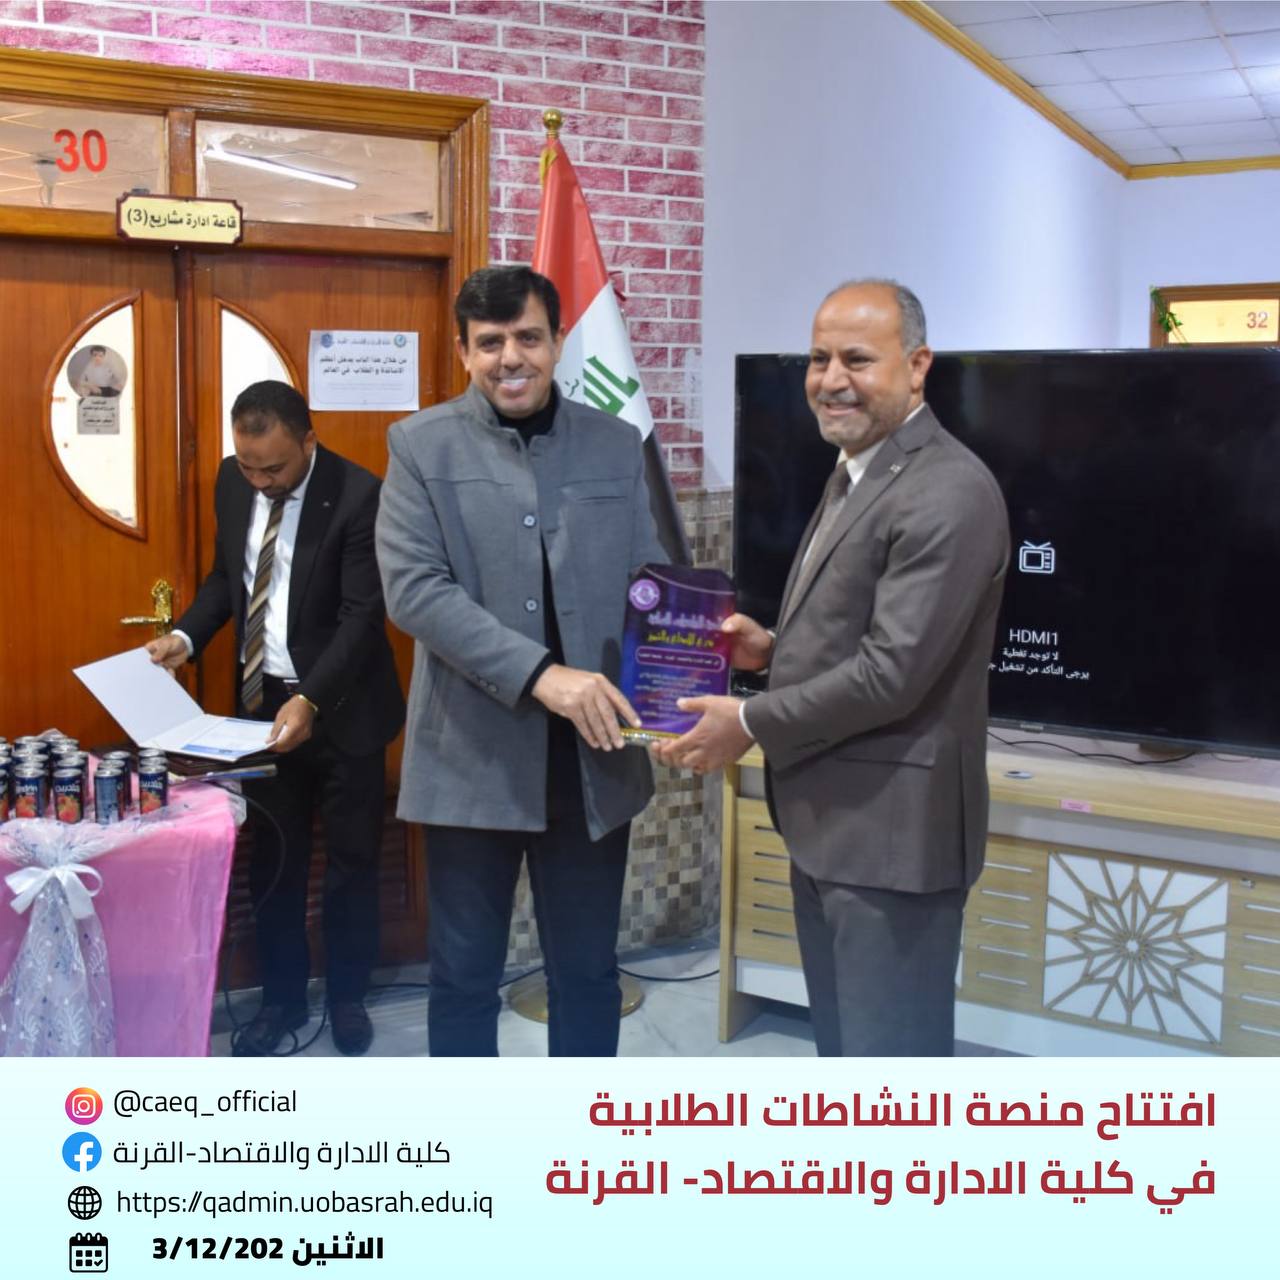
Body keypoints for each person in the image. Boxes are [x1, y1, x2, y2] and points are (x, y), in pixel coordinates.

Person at [655, 280, 1010, 1056]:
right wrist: (771, 651)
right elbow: (864, 633)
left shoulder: (948, 490)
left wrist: (749, 720)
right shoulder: (859, 469)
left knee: (889, 1071)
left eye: (857, 359)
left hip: (894, 841)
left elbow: (892, 674)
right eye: (819, 359)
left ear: (918, 366)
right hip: (835, 829)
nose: (831, 379)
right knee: (845, 1056)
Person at [375, 265, 667, 1056]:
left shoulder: (615, 443)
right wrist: (543, 676)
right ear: (464, 351)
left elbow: (648, 580)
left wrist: (689, 664)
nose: (511, 358)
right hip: (470, 761)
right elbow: (415, 592)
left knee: (588, 975)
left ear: (558, 341)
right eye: (490, 342)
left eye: (529, 338)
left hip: (594, 759)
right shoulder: (419, 445)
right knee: (464, 978)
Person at [148, 380, 404, 1056]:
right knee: (274, 864)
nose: (260, 481)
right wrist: (186, 637)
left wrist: (310, 699)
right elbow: (225, 580)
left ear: (308, 441)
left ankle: (347, 997)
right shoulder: (232, 482)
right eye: (249, 466)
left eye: (274, 468)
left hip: (344, 712)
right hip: (262, 713)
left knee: (351, 864)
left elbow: (362, 617)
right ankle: (282, 1000)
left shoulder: (359, 495)